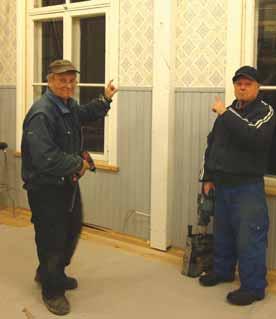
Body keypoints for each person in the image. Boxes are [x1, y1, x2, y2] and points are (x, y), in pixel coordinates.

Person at [21, 59, 117, 315]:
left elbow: (84, 114)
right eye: (62, 79)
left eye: (71, 80)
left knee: (72, 228)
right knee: (52, 237)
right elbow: (45, 158)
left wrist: (104, 100)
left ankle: (50, 273)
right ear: (50, 81)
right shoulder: (42, 113)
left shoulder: (67, 105)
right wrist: (78, 163)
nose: (68, 84)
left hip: (65, 183)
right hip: (45, 187)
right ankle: (51, 291)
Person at [199, 66, 275, 306]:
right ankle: (223, 271)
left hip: (247, 187)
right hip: (222, 185)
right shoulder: (230, 112)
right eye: (238, 83)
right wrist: (207, 177)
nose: (242, 87)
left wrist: (225, 114)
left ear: (257, 87)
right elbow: (213, 145)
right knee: (223, 233)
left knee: (250, 237)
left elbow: (254, 138)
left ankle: (254, 288)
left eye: (247, 83)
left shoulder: (266, 111)